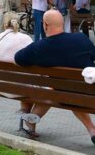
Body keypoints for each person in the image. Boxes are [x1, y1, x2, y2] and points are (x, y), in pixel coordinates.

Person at [15, 10, 95, 143]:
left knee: (58, 90)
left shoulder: (40, 47)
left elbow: (18, 58)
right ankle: (92, 130)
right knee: (65, 90)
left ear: (45, 25)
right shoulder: (81, 39)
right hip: (88, 92)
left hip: (64, 93)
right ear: (62, 24)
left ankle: (31, 120)